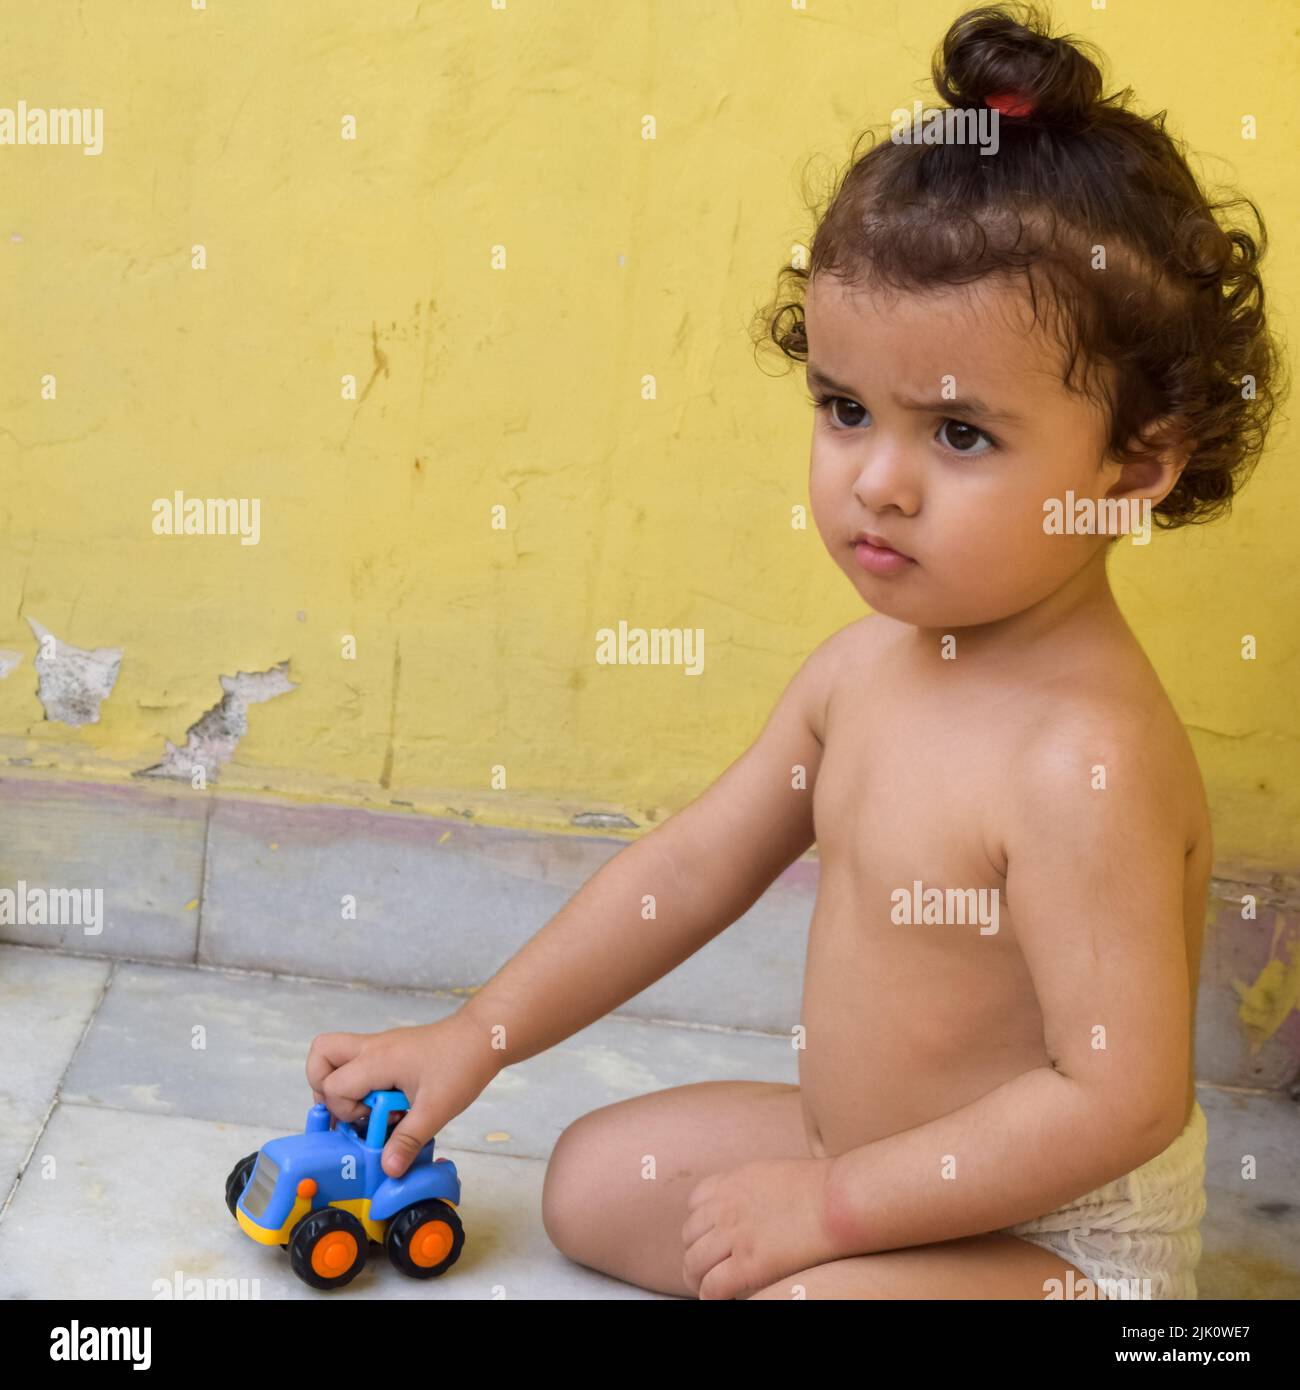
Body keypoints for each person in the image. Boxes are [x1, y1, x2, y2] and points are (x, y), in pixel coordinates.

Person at [306, 2, 1282, 1299]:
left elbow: (1120, 1102)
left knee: (795, 1294)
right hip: (868, 1155)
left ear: (1135, 462)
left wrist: (830, 1206)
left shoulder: (1079, 759)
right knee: (594, 1179)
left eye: (961, 435)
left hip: (1052, 1245)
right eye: (844, 408)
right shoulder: (859, 674)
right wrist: (476, 1036)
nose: (877, 480)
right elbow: (693, 868)